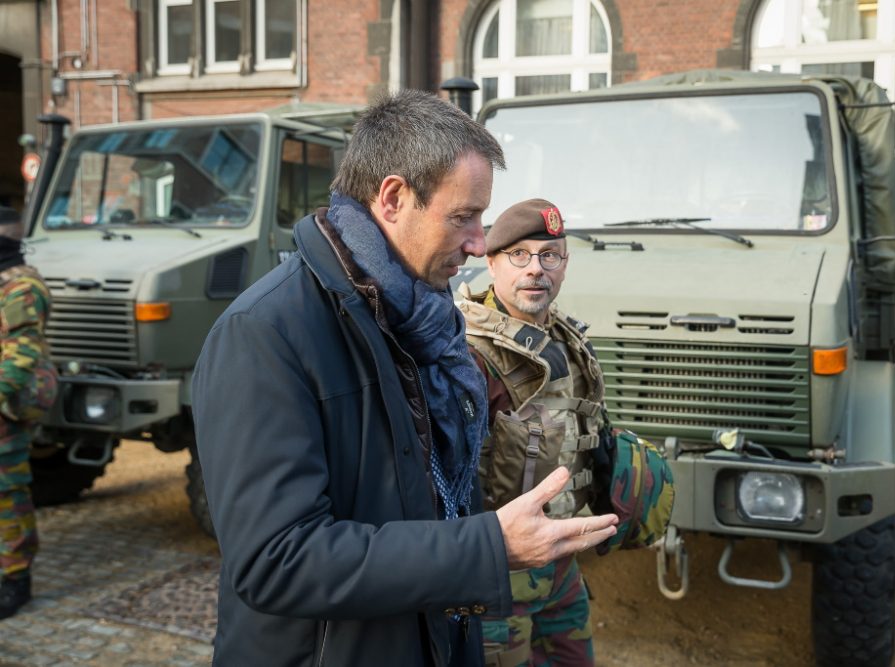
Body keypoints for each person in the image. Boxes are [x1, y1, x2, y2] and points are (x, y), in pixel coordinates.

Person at [190, 91, 619, 666]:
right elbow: (276, 560)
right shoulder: (264, 334)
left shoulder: (423, 319)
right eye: (463, 217)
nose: (476, 243)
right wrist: (487, 547)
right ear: (392, 198)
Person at [458, 199, 675, 666]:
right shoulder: (464, 354)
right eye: (519, 255)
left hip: (561, 564)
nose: (535, 270)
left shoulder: (567, 339)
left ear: (565, 264)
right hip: (496, 576)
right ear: (490, 261)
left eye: (549, 255)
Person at [0, 205, 57, 620]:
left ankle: (15, 579)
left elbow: (20, 355)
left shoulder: (21, 287)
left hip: (12, 402)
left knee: (7, 489)